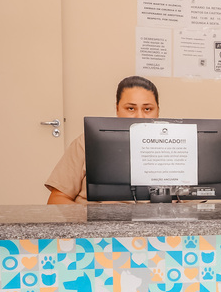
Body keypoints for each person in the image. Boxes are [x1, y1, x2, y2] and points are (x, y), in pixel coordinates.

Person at [45, 76, 161, 204]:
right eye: (131, 108)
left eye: (147, 109)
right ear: (117, 109)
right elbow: (57, 199)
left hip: (153, 222)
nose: (140, 116)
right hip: (95, 220)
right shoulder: (86, 142)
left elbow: (186, 204)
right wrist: (90, 220)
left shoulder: (176, 146)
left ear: (158, 111)